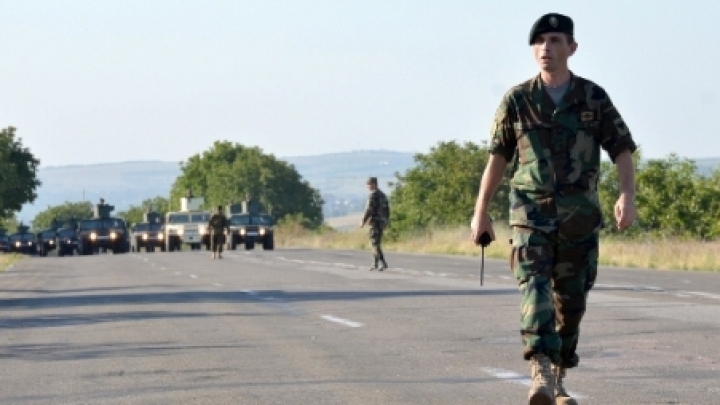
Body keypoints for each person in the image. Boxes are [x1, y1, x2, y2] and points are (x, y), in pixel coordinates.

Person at [470, 13, 637, 405]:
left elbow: (622, 149)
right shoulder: (518, 100)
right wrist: (482, 211)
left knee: (572, 301)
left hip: (579, 217)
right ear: (533, 50)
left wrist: (626, 194)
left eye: (556, 40)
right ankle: (540, 371)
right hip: (529, 214)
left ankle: (559, 376)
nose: (547, 47)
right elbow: (498, 157)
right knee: (535, 289)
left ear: (572, 48)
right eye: (541, 41)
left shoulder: (593, 98)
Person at [360, 177, 390, 271]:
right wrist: (385, 221)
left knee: (374, 243)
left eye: (369, 184)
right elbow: (387, 210)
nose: (368, 186)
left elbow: (369, 209)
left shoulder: (373, 195)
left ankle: (382, 263)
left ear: (374, 184)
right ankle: (375, 263)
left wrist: (363, 221)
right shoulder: (383, 195)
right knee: (376, 242)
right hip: (381, 222)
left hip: (374, 222)